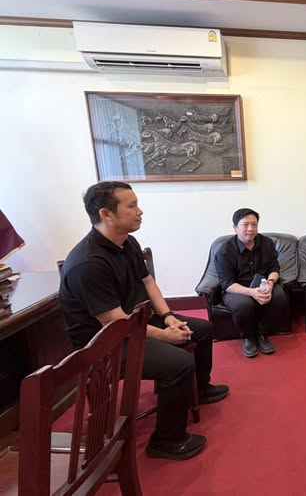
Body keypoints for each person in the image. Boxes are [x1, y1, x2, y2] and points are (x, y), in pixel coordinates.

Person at [60, 181, 228, 461]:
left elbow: (148, 282)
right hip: (104, 344)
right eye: (132, 206)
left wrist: (169, 317)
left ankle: (199, 389)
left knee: (201, 329)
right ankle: (166, 440)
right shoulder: (88, 264)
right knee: (179, 363)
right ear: (106, 214)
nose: (140, 211)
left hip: (136, 323)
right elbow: (115, 323)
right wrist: (165, 336)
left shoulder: (127, 241)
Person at [214, 208, 288, 358]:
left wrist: (270, 283)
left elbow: (274, 268)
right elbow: (227, 283)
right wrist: (252, 292)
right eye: (245, 225)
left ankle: (262, 333)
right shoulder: (225, 250)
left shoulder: (266, 243)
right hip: (237, 288)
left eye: (254, 225)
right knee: (243, 304)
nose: (250, 229)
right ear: (235, 228)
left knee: (279, 296)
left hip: (263, 283)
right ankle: (248, 336)